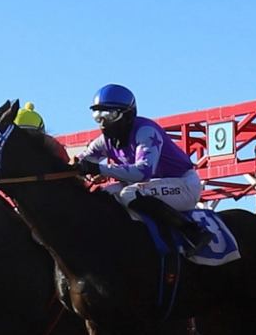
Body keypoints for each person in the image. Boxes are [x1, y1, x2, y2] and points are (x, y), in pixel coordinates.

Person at [75, 84, 209, 250]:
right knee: (104, 194)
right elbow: (80, 162)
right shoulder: (104, 141)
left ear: (128, 115)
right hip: (153, 186)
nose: (102, 122)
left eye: (109, 114)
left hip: (183, 185)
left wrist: (100, 169)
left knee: (129, 194)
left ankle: (193, 232)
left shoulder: (146, 132)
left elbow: (142, 173)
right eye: (97, 115)